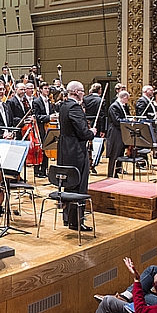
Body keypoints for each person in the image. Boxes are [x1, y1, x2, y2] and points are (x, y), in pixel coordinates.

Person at [58, 81, 96, 230]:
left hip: (65, 149)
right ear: (75, 92)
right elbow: (83, 132)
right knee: (79, 186)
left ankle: (68, 218)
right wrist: (91, 132)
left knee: (69, 184)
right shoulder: (75, 107)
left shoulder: (63, 105)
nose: (83, 94)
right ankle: (76, 222)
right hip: (76, 151)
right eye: (81, 91)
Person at [32, 82, 54, 178]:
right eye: (45, 88)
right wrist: (49, 117)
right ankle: (37, 170)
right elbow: (36, 116)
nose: (47, 90)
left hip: (48, 127)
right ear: (40, 89)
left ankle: (44, 169)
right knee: (39, 149)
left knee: (47, 147)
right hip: (40, 127)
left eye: (48, 88)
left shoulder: (49, 101)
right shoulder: (36, 101)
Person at [106, 90, 129, 178]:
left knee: (119, 153)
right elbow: (116, 120)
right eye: (127, 99)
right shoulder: (114, 106)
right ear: (124, 98)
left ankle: (116, 172)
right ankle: (111, 174)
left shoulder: (122, 106)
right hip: (115, 133)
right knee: (114, 154)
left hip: (120, 132)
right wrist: (126, 121)